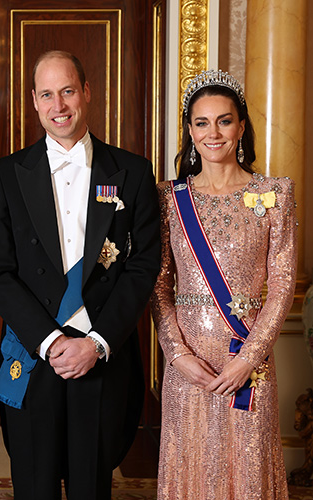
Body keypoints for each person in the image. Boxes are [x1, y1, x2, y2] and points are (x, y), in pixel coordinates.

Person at [0, 50, 161, 499]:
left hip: (100, 353)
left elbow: (143, 266)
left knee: (91, 487)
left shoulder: (133, 172)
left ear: (86, 92)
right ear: (34, 101)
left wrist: (96, 342)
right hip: (35, 352)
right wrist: (52, 342)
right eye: (47, 94)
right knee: (34, 487)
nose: (58, 105)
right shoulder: (6, 174)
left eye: (67, 91)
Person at [151, 69, 295, 499]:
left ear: (242, 126)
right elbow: (159, 284)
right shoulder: (168, 198)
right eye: (201, 122)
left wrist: (247, 359)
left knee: (246, 467)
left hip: (248, 361)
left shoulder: (275, 192)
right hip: (189, 365)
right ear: (189, 131)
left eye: (224, 120)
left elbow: (284, 282)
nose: (213, 133)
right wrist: (177, 355)